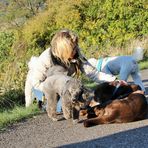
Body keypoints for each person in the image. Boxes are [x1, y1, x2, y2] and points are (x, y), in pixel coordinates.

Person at [24, 29, 116, 111]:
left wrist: (113, 80)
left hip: (62, 85)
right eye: (73, 48)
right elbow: (36, 83)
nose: (76, 50)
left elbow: (93, 73)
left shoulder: (76, 55)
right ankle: (45, 103)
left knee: (81, 101)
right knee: (64, 107)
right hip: (41, 86)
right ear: (64, 50)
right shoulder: (46, 59)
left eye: (76, 46)